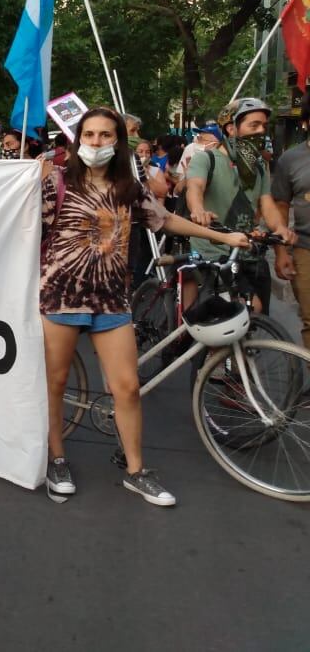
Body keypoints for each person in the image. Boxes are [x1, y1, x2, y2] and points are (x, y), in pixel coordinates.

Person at [41, 107, 249, 506]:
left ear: (118, 141)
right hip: (60, 297)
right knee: (54, 384)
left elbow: (166, 220)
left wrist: (222, 237)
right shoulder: (55, 183)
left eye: (105, 135)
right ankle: (57, 458)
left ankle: (136, 471)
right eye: (89, 135)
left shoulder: (129, 188)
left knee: (128, 388)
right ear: (77, 139)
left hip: (112, 302)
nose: (97, 142)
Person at [184, 98, 297, 313]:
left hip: (249, 251)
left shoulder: (260, 167)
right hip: (214, 253)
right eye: (253, 125)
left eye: (264, 126)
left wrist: (280, 229)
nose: (261, 131)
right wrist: (198, 209)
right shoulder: (207, 159)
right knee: (246, 311)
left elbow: (267, 205)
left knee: (256, 319)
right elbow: (194, 187)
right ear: (231, 129)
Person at [271, 107, 310, 350]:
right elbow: (280, 207)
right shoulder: (291, 159)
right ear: (306, 122)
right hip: (305, 249)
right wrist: (280, 251)